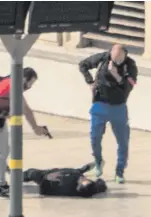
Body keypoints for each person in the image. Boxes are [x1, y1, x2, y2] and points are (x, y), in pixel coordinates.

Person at [0, 67, 49, 199]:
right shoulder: (13, 85)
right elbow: (26, 110)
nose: (30, 87)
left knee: (3, 152)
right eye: (31, 83)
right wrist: (36, 128)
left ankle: (1, 183)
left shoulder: (9, 81)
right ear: (25, 79)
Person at [79, 44, 138, 184]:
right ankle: (98, 161)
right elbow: (83, 64)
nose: (115, 61)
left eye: (119, 59)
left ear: (125, 55)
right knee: (95, 137)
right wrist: (90, 81)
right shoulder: (103, 58)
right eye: (113, 57)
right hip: (100, 104)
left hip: (118, 107)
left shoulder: (130, 65)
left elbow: (129, 87)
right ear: (110, 53)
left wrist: (116, 74)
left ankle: (119, 171)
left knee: (123, 141)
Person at [21, 162, 107, 198]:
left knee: (31, 173)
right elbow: (100, 183)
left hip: (46, 179)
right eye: (86, 180)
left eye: (84, 181)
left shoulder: (70, 185)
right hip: (54, 175)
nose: (84, 179)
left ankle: (16, 177)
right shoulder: (79, 179)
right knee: (31, 173)